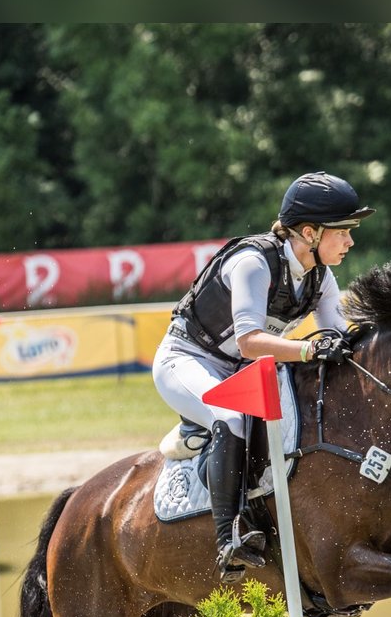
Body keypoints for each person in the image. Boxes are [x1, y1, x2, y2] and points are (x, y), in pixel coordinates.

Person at [152, 172, 373, 578]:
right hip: (187, 359)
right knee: (230, 417)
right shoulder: (254, 262)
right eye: (343, 232)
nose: (350, 242)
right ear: (310, 232)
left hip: (242, 369)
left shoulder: (320, 277)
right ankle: (228, 539)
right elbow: (252, 341)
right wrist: (308, 348)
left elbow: (338, 339)